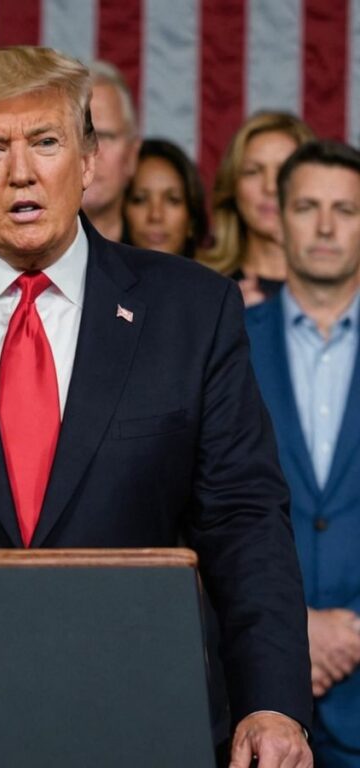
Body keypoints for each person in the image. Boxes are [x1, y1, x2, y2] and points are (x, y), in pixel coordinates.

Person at [0, 46, 312, 766]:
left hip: (141, 716)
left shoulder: (190, 310)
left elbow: (244, 520)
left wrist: (271, 703)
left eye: (46, 142)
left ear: (89, 160)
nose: (22, 172)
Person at [246, 139, 360, 768]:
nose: (323, 226)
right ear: (277, 216)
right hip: (259, 701)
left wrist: (349, 632)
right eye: (307, 206)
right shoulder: (226, 342)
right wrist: (298, 626)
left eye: (344, 210)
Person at [199, 111, 313, 306]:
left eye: (284, 171)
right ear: (233, 186)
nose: (270, 186)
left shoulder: (347, 288)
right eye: (253, 172)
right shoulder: (201, 285)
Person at [80, 60, 140, 243]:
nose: (91, 151)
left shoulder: (166, 263)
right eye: (79, 135)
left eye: (105, 137)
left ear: (132, 155)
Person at [123, 138, 208, 258]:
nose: (156, 215)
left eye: (172, 200)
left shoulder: (219, 276)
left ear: (192, 220)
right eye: (140, 199)